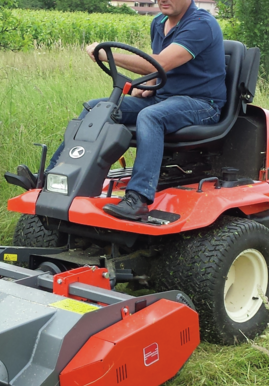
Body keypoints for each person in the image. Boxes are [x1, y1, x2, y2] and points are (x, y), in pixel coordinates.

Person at [45, 0, 226, 221]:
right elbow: (160, 70)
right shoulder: (159, 23)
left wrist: (105, 55)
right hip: (164, 98)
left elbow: (156, 63)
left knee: (150, 116)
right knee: (98, 107)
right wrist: (149, 85)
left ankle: (138, 198)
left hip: (201, 104)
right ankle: (51, 175)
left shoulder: (200, 25)